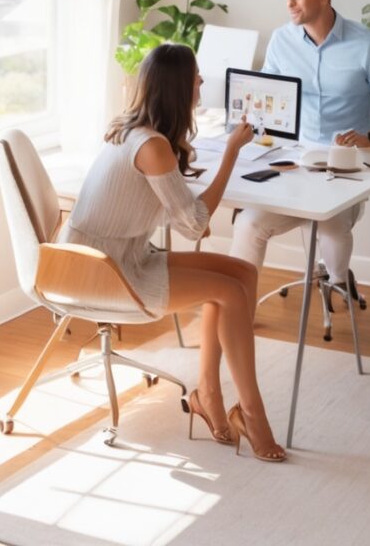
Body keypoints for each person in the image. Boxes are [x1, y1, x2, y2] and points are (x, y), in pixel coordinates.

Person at [59, 43, 286, 462]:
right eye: (196, 76)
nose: (201, 81)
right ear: (180, 88)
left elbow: (176, 205)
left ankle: (208, 396)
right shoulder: (151, 145)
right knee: (231, 292)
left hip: (112, 255)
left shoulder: (133, 131)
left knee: (243, 275)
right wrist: (232, 153)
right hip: (103, 272)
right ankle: (252, 414)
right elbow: (195, 224)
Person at [230, 0, 370, 289]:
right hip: (293, 163)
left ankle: (338, 283)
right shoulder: (281, 41)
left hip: (346, 167)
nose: (288, 4)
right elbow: (268, 99)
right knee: (248, 224)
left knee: (329, 226)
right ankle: (235, 308)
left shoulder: (369, 46)